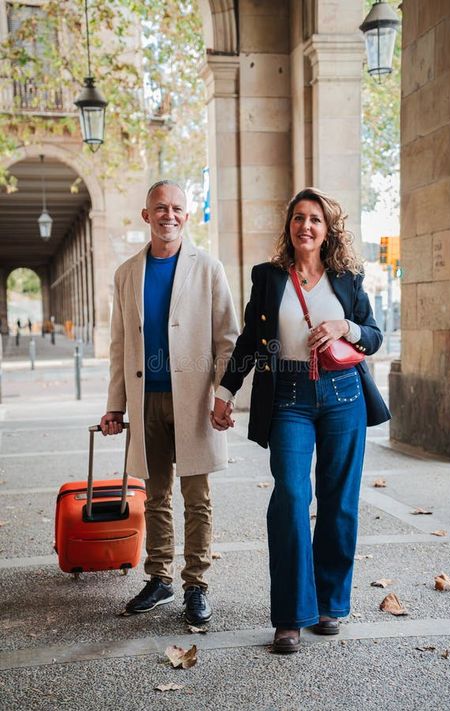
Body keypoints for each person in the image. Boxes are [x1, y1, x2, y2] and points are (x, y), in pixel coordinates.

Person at [212, 187, 390, 653]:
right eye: (298, 218)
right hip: (288, 395)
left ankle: (329, 604)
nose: (305, 226)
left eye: (314, 219)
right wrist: (225, 391)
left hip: (342, 394)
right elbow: (251, 338)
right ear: (289, 227)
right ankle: (291, 614)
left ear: (327, 230)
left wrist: (343, 327)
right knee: (291, 495)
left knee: (339, 499)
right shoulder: (269, 278)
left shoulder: (347, 277)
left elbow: (373, 334)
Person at [100, 180, 239, 625]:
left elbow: (227, 341)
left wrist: (223, 394)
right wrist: (114, 405)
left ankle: (196, 584)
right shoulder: (127, 274)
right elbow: (119, 344)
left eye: (177, 208)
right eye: (160, 208)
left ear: (186, 215)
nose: (169, 215)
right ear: (146, 215)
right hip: (146, 400)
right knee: (155, 495)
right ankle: (159, 579)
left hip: (195, 400)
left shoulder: (209, 269)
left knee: (196, 496)